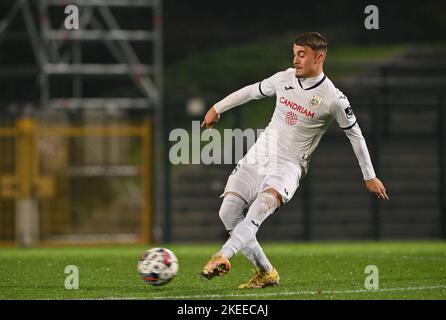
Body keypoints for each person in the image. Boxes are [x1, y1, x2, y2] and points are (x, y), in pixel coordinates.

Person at [200, 32, 389, 289]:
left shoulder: (334, 98)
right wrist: (217, 108)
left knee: (260, 207)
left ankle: (223, 255)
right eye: (294, 54)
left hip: (289, 165)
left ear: (319, 57)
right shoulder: (284, 78)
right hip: (260, 154)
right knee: (228, 213)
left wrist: (369, 175)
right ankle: (266, 272)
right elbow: (250, 92)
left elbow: (355, 134)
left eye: (302, 55)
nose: (296, 60)